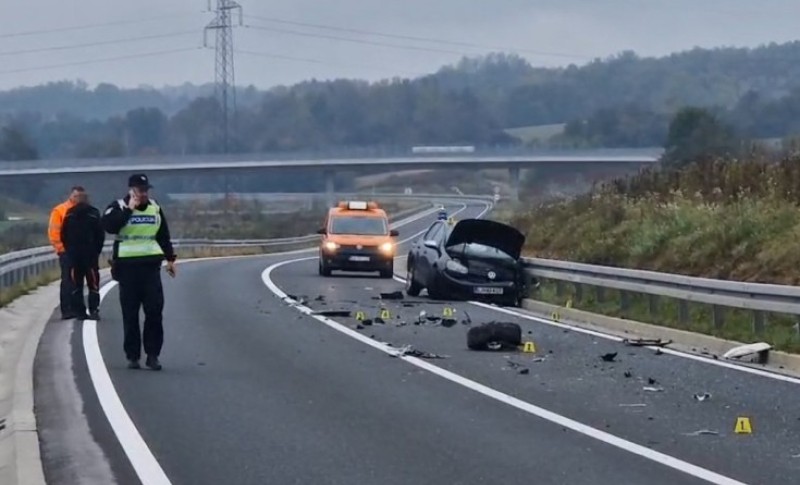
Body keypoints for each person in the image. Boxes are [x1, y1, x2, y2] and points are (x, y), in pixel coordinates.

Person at [101, 174, 177, 371]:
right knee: (130, 314)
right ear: (131, 190)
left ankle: (153, 355)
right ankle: (133, 356)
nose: (143, 194)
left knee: (154, 312)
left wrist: (170, 259)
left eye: (145, 190)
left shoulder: (155, 207)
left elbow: (163, 234)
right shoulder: (117, 206)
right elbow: (109, 226)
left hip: (150, 268)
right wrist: (129, 210)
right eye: (139, 190)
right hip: (127, 269)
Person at [61, 190, 105, 321]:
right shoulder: (94, 213)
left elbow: (63, 235)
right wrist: (96, 251)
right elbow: (100, 235)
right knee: (93, 285)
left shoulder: (69, 214)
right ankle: (94, 310)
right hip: (90, 257)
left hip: (74, 257)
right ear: (87, 199)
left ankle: (80, 312)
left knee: (76, 285)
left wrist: (69, 251)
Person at [48, 186, 84, 320]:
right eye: (75, 196)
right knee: (67, 280)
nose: (77, 198)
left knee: (78, 281)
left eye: (80, 196)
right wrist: (61, 249)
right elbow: (54, 231)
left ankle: (78, 308)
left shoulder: (85, 211)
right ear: (70, 195)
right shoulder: (60, 210)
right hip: (66, 251)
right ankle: (67, 309)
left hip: (80, 252)